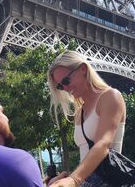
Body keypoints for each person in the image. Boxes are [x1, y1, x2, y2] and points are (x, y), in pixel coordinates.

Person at [47, 50, 126, 186]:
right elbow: (86, 157)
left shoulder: (110, 96)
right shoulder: (80, 112)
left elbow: (103, 144)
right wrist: (66, 178)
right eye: (60, 86)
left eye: (66, 80)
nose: (65, 88)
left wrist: (73, 180)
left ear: (83, 69)